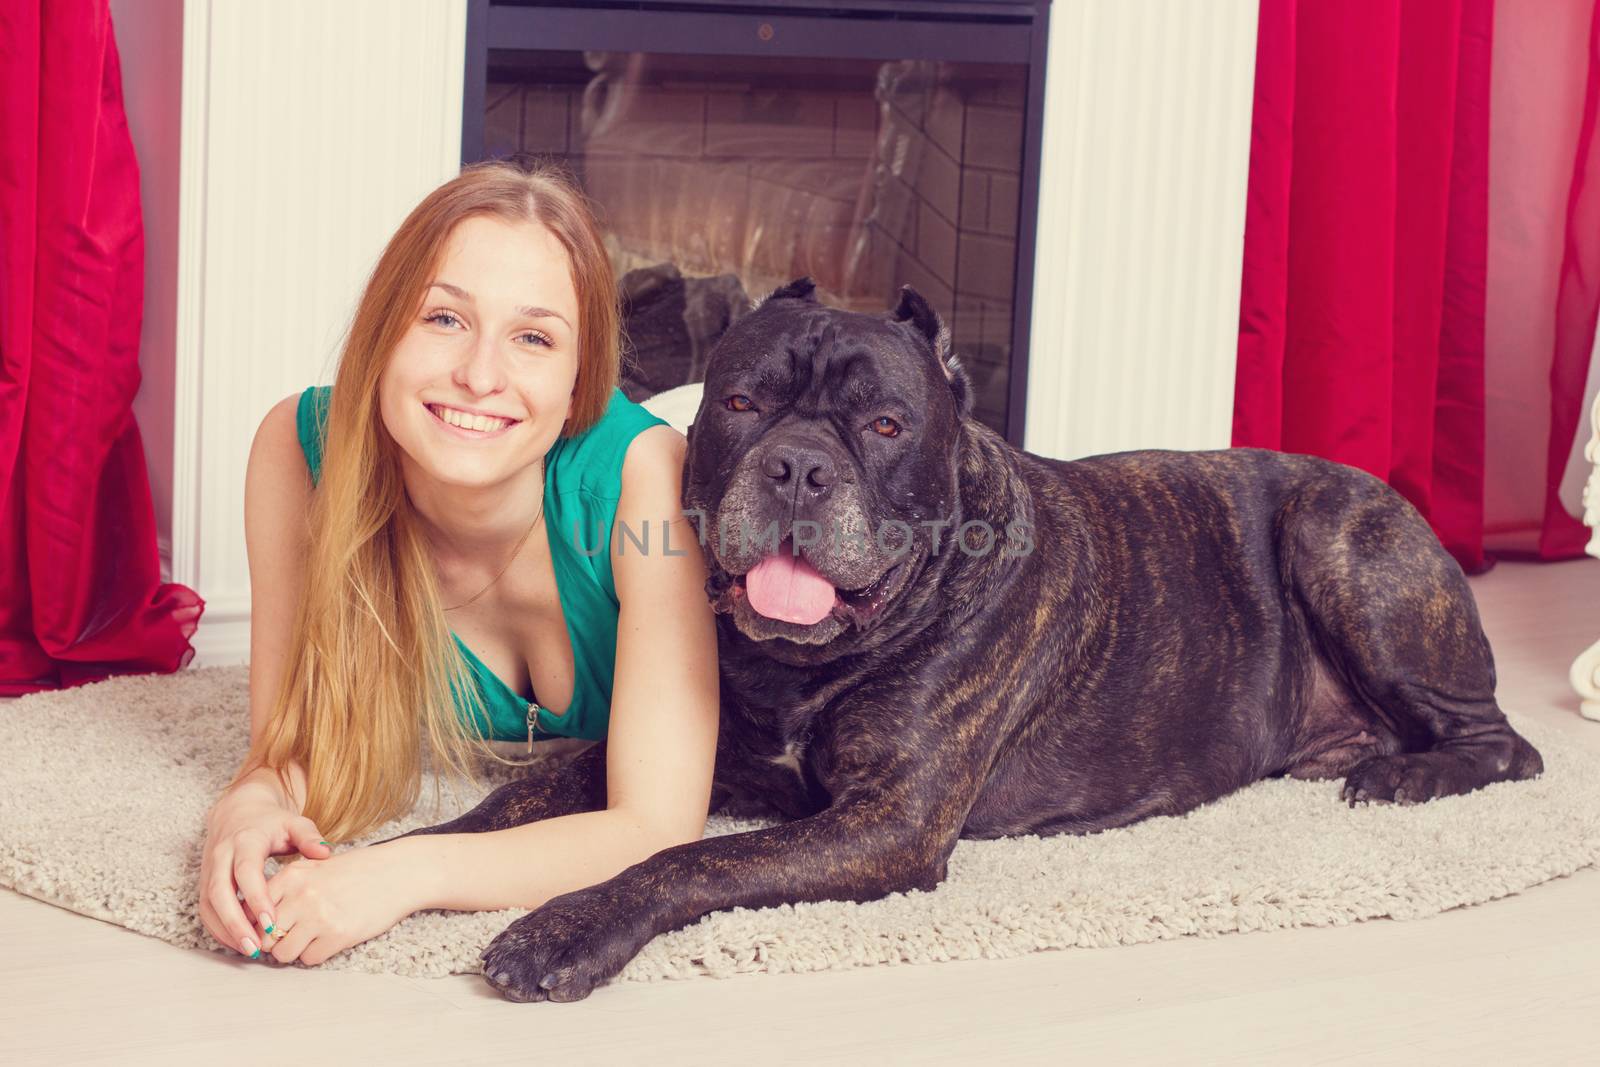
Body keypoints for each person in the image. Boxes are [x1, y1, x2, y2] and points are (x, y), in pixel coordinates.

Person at [197, 159, 719, 967]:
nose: (480, 375)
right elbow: (293, 743)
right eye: (444, 319)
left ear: (581, 376)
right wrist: (247, 807)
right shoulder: (300, 454)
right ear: (383, 328)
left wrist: (403, 872)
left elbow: (657, 825)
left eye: (534, 337)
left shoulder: (650, 478)